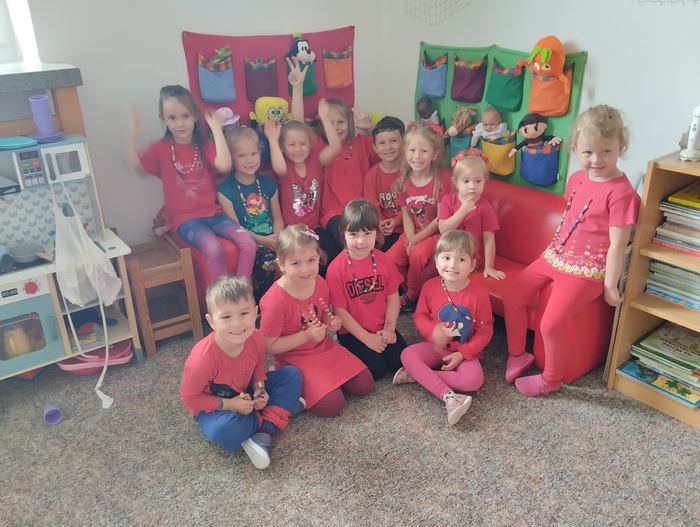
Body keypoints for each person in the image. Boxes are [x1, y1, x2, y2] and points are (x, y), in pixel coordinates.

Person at [503, 104, 641, 396]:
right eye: (588, 152)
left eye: (606, 151)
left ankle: (551, 380)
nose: (596, 160)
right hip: (556, 255)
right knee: (513, 296)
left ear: (621, 147)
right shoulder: (577, 178)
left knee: (551, 325)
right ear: (576, 149)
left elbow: (618, 245)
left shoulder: (622, 193)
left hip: (587, 269)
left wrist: (610, 285)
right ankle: (518, 354)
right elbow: (573, 218)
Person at [128, 84, 257, 280]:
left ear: (195, 116)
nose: (180, 124)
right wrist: (134, 129)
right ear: (164, 119)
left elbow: (224, 165)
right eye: (172, 118)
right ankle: (221, 296)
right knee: (214, 248)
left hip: (213, 214)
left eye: (186, 116)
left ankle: (241, 291)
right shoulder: (161, 149)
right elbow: (136, 165)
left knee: (249, 241)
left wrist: (216, 128)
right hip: (185, 221)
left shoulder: (204, 146)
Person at [180, 275, 304, 470]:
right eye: (226, 317)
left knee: (292, 375)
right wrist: (231, 404)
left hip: (245, 391)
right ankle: (276, 413)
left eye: (244, 313)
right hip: (215, 409)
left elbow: (258, 368)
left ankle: (265, 429)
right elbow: (189, 398)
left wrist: (260, 390)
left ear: (255, 312)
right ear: (211, 321)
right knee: (224, 431)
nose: (237, 324)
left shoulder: (256, 337)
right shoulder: (201, 360)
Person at [259, 224, 374, 417]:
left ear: (319, 257)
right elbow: (268, 346)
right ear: (281, 264)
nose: (305, 270)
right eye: (296, 263)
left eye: (311, 260)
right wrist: (306, 336)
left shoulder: (319, 282)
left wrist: (330, 322)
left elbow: (323, 313)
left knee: (365, 384)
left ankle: (322, 384)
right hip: (292, 357)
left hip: (322, 347)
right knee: (332, 405)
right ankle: (291, 387)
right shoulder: (274, 301)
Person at [393, 230, 494, 426]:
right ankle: (448, 396)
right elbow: (420, 315)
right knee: (407, 354)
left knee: (474, 380)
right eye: (446, 258)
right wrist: (432, 332)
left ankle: (419, 375)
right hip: (433, 347)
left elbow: (485, 332)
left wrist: (463, 354)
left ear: (472, 265)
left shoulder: (479, 295)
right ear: (437, 262)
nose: (452, 265)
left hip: (462, 351)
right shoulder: (429, 287)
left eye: (461, 259)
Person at [287, 57, 378, 255]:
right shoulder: (319, 147)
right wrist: (297, 88)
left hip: (362, 211)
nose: (336, 127)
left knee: (373, 241)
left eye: (341, 122)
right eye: (330, 122)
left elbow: (385, 156)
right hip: (333, 214)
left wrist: (369, 131)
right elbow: (297, 126)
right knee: (347, 240)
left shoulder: (361, 143)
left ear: (349, 122)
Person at [326, 199, 407, 380]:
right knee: (377, 370)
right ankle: (341, 347)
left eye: (367, 233)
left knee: (400, 360)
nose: (361, 241)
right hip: (353, 332)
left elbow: (393, 297)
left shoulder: (384, 260)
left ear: (376, 233)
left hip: (381, 326)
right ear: (343, 233)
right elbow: (340, 310)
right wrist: (366, 338)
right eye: (353, 234)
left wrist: (389, 328)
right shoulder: (335, 269)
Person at [265, 86, 341, 274]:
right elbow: (279, 167)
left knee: (331, 248)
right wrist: (273, 140)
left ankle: (324, 286)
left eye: (302, 144)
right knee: (304, 254)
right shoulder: (285, 168)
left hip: (313, 228)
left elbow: (335, 147)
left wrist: (325, 119)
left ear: (310, 145)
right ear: (283, 147)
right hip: (293, 231)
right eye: (291, 145)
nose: (298, 149)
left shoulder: (315, 162)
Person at [385, 123, 454, 312]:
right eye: (412, 150)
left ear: (434, 154)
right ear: (405, 152)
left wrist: (416, 239)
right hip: (413, 231)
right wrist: (410, 237)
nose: (417, 156)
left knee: (417, 253)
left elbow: (441, 219)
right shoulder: (403, 182)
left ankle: (412, 294)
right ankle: (409, 289)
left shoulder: (441, 181)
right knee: (389, 259)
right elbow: (406, 215)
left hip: (436, 234)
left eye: (424, 151)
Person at [218, 127, 284, 303]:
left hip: (273, 238)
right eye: (242, 156)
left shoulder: (268, 184)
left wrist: (278, 238)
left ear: (260, 153)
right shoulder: (225, 190)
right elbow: (235, 229)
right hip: (249, 242)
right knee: (267, 260)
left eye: (253, 154)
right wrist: (263, 240)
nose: (249, 160)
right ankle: (264, 304)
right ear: (231, 159)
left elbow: (277, 218)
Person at [438, 149, 505, 279]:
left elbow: (489, 240)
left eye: (478, 181)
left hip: (471, 261)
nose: (472, 186)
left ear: (485, 180)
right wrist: (462, 212)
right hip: (448, 257)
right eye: (466, 181)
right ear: (456, 182)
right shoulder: (448, 200)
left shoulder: (485, 206)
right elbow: (443, 230)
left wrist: (489, 267)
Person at [363, 116, 405, 251]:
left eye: (393, 141)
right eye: (382, 143)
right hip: (381, 230)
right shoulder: (371, 176)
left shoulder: (411, 171)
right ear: (375, 148)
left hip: (408, 228)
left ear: (404, 142)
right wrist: (380, 223)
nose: (388, 147)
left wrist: (397, 221)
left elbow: (414, 204)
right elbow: (373, 206)